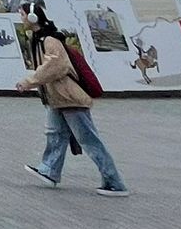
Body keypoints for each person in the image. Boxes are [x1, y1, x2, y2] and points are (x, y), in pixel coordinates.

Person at [16, 13, 129, 195]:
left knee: (89, 140)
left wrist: (28, 81)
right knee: (55, 134)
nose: (21, 18)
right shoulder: (40, 39)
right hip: (57, 99)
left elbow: (55, 67)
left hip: (69, 98)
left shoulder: (50, 41)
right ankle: (49, 171)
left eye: (22, 14)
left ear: (33, 16)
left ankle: (114, 182)